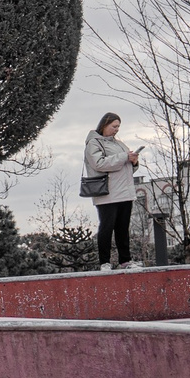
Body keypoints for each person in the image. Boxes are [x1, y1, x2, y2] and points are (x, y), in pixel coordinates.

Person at [83, 113, 143, 270]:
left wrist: (134, 161)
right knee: (107, 227)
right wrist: (124, 157)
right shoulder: (93, 143)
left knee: (123, 228)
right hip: (107, 193)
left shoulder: (119, 144)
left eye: (118, 127)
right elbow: (99, 164)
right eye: (114, 126)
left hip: (125, 191)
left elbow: (127, 165)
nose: (117, 130)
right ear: (104, 124)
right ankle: (105, 262)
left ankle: (125, 260)